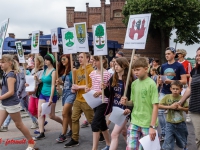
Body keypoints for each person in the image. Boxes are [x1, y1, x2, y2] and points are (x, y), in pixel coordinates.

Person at [120, 57, 159, 150]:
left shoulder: (151, 84)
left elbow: (155, 106)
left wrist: (152, 126)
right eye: (134, 70)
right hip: (135, 121)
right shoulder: (134, 84)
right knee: (130, 148)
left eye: (138, 70)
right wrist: (126, 102)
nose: (135, 72)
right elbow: (132, 102)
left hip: (147, 123)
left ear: (146, 69)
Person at [0, 54, 37, 150]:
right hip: (4, 104)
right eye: (0, 62)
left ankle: (31, 143)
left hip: (12, 104)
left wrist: (0, 97)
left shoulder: (11, 75)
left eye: (3, 62)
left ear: (10, 63)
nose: (1, 64)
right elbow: (4, 88)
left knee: (19, 125)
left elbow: (11, 92)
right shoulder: (5, 74)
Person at [64, 52, 94, 148]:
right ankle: (74, 139)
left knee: (91, 120)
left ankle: (101, 133)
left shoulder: (91, 70)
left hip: (87, 99)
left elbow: (91, 86)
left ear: (88, 58)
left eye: (82, 57)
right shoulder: (77, 71)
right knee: (74, 118)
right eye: (79, 57)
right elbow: (77, 83)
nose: (79, 59)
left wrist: (79, 87)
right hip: (78, 99)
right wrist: (74, 88)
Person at [158, 47, 187, 141]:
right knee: (160, 111)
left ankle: (173, 132)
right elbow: (162, 78)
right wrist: (160, 82)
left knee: (175, 113)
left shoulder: (179, 66)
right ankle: (164, 132)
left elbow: (184, 80)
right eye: (166, 54)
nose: (167, 55)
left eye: (169, 53)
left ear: (174, 55)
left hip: (175, 93)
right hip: (164, 91)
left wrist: (171, 81)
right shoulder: (163, 66)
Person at [104, 57, 133, 150]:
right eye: (114, 64)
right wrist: (104, 88)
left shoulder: (130, 80)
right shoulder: (113, 78)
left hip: (124, 110)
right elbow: (109, 95)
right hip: (115, 108)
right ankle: (132, 147)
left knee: (114, 134)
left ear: (124, 66)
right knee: (124, 132)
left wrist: (129, 107)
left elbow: (133, 98)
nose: (115, 66)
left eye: (117, 64)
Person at [33, 53, 62, 140]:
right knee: (40, 113)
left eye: (47, 60)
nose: (45, 61)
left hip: (51, 95)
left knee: (51, 115)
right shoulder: (45, 70)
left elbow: (53, 85)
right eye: (45, 60)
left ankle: (64, 123)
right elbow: (42, 81)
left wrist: (50, 98)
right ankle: (41, 132)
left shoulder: (54, 71)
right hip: (42, 93)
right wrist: (37, 79)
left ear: (51, 61)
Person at [178, 47, 200, 150]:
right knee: (198, 138)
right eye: (197, 55)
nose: (198, 57)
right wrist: (180, 102)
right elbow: (189, 89)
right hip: (196, 109)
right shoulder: (194, 72)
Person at [87, 56, 111, 150]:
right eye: (93, 60)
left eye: (97, 60)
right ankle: (109, 144)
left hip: (103, 101)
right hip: (94, 100)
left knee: (95, 123)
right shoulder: (92, 73)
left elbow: (109, 90)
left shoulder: (107, 74)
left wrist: (101, 91)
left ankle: (94, 148)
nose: (94, 62)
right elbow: (93, 87)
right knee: (102, 123)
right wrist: (89, 90)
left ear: (103, 61)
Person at [159, 80, 188, 150]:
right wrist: (169, 107)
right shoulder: (167, 97)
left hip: (180, 123)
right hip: (169, 123)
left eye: (177, 89)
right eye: (173, 89)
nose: (175, 90)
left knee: (182, 141)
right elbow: (159, 106)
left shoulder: (182, 98)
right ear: (170, 89)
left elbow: (187, 110)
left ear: (181, 89)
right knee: (168, 141)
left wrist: (180, 108)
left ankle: (184, 147)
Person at [56, 54, 76, 143]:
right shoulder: (64, 70)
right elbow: (65, 84)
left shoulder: (73, 70)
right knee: (68, 113)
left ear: (69, 59)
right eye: (61, 59)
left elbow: (74, 84)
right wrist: (60, 83)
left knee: (64, 113)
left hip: (71, 93)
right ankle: (72, 130)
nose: (62, 61)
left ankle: (63, 134)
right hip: (65, 93)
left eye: (64, 59)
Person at [176, 49, 192, 123]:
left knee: (185, 100)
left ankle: (188, 115)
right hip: (177, 84)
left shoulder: (187, 63)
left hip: (185, 84)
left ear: (182, 54)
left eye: (178, 53)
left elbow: (190, 74)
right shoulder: (176, 63)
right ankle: (178, 114)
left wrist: (182, 75)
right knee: (177, 99)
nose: (177, 55)